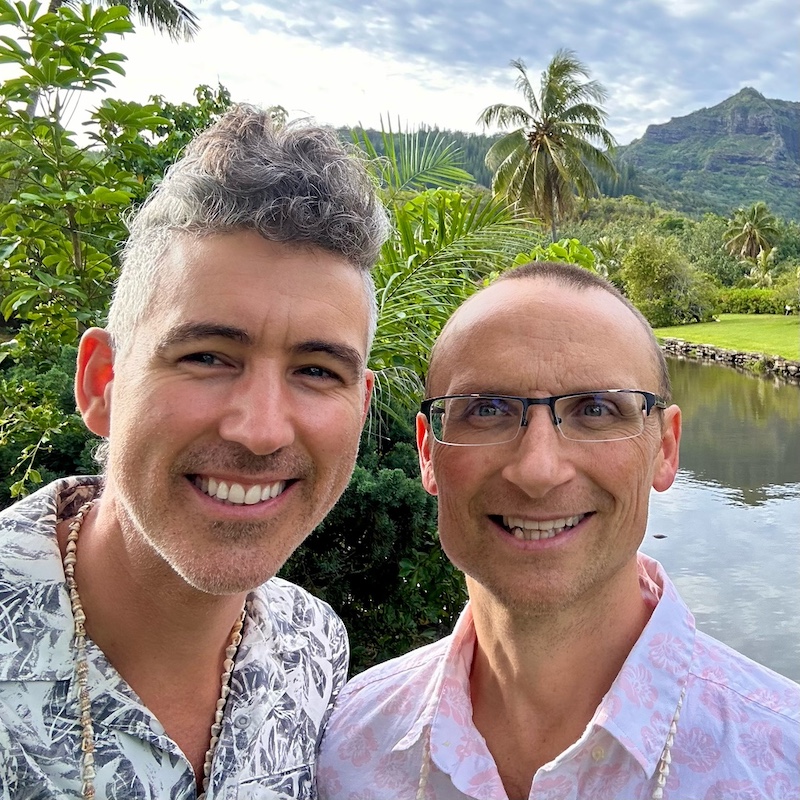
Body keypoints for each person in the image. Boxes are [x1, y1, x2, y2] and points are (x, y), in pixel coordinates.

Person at [0, 105, 389, 799]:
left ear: (358, 412)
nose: (262, 430)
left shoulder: (314, 647)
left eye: (316, 371)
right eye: (208, 356)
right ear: (101, 384)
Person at [317, 262, 800, 799]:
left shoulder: (782, 759)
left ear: (665, 448)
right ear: (429, 452)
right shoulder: (346, 748)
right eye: (488, 410)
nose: (538, 470)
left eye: (596, 409)